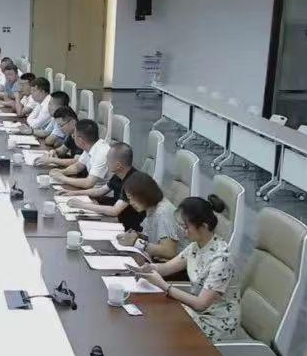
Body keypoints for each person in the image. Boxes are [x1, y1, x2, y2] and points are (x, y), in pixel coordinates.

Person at [128, 195, 239, 342]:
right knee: (153, 320)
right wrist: (149, 268)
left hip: (216, 323)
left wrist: (164, 286)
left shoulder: (221, 259)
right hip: (197, 313)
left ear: (204, 226)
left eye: (186, 227)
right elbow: (167, 268)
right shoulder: (196, 246)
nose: (183, 232)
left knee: (160, 330)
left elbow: (200, 304)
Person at [65, 141, 146, 232]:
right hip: (118, 220)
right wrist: (74, 193)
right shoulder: (120, 174)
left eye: (108, 161)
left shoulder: (133, 182)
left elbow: (114, 211)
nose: (106, 164)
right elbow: (100, 191)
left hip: (128, 229)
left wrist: (81, 205)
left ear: (118, 165)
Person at [116, 171, 184, 261]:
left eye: (133, 198)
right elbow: (154, 237)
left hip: (175, 266)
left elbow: (169, 251)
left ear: (144, 194)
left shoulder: (162, 212)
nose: (131, 203)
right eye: (129, 199)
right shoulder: (151, 207)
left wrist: (136, 242)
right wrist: (136, 236)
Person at [48, 119, 110, 189]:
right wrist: (62, 172)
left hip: (103, 193)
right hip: (94, 189)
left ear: (80, 140)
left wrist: (62, 178)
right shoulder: (90, 146)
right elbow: (77, 167)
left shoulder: (101, 153)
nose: (73, 137)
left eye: (74, 136)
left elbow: (88, 183)